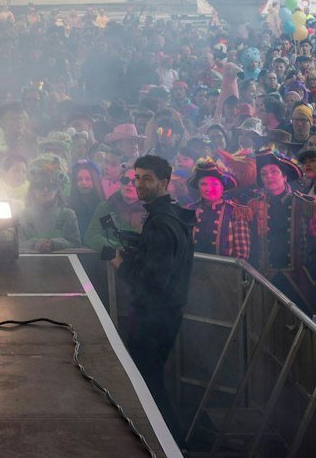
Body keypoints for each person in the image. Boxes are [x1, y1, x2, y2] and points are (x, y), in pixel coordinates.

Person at [113, 153, 191, 435]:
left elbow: (154, 281)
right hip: (163, 315)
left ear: (164, 182)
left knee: (149, 385)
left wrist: (122, 265)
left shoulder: (161, 222)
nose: (140, 184)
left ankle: (172, 442)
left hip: (154, 319)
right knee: (149, 381)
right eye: (137, 178)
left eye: (147, 178)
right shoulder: (167, 215)